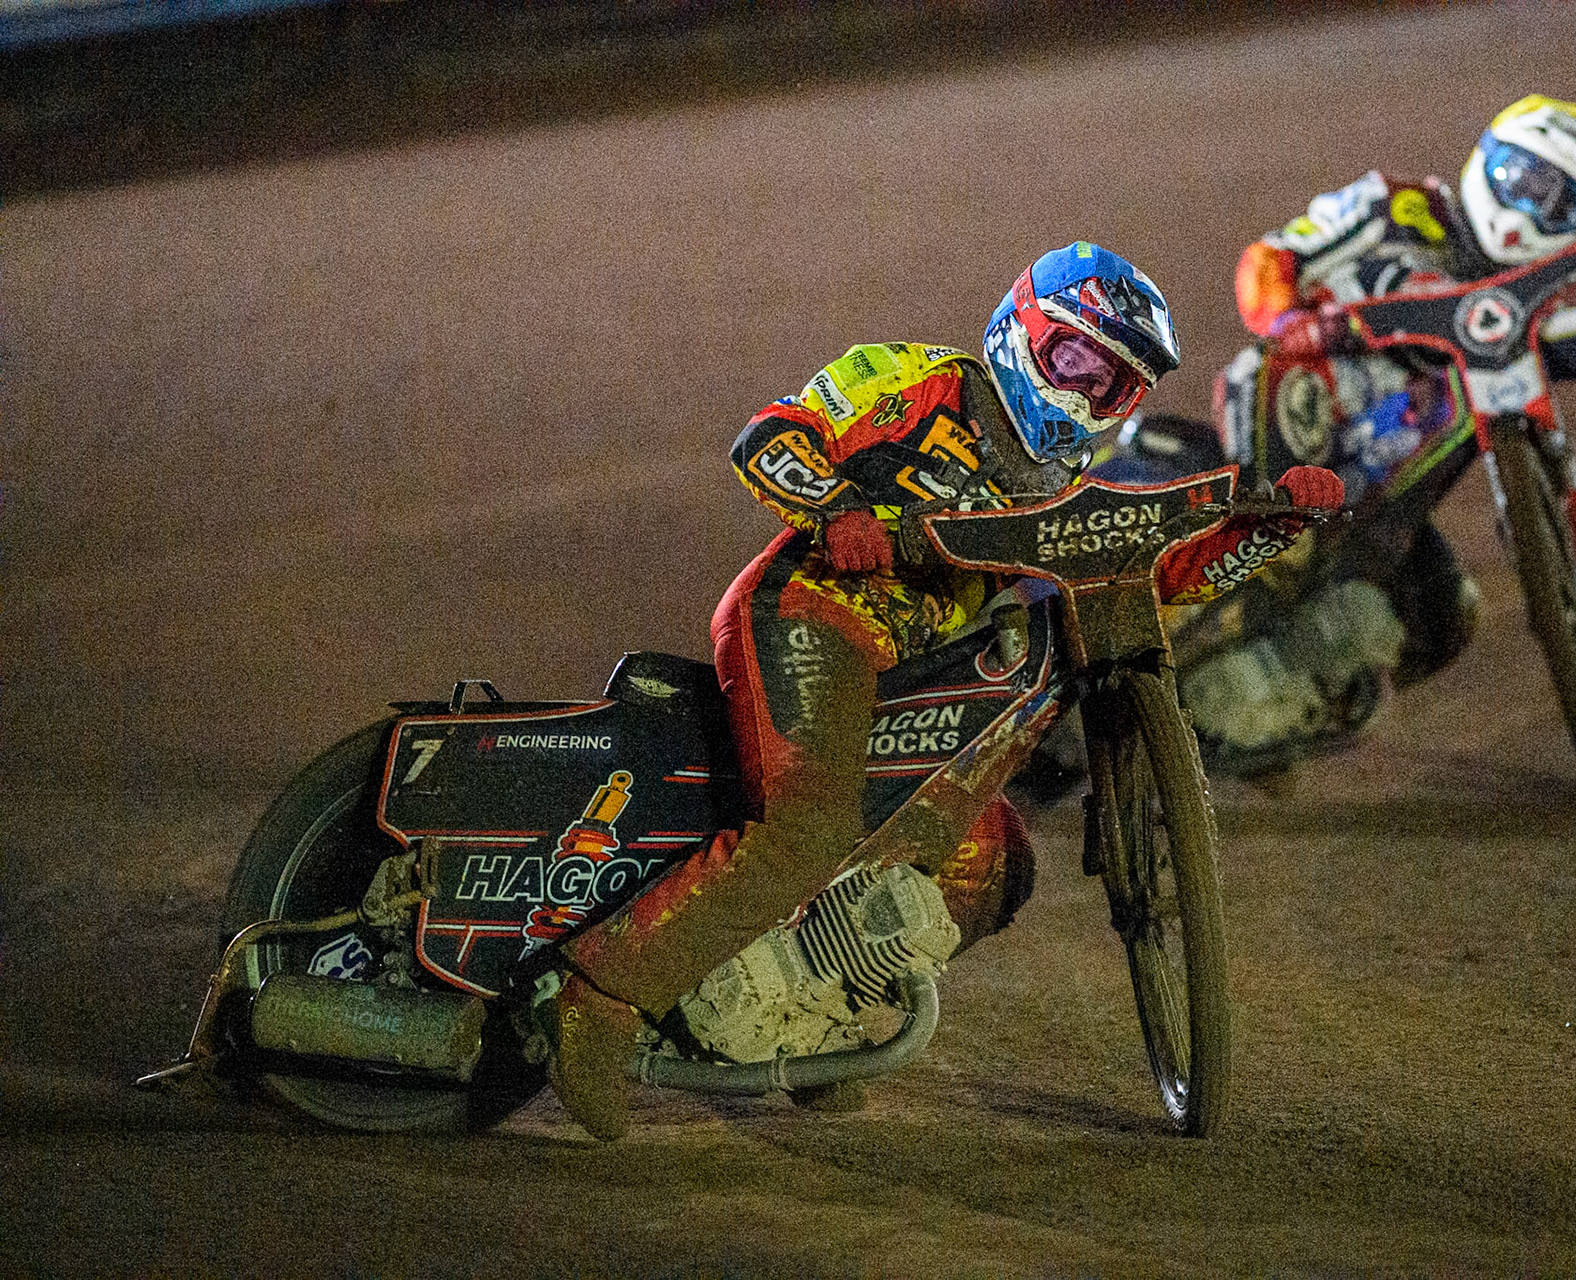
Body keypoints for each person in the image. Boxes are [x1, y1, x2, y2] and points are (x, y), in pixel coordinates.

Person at [544, 242, 1343, 1139]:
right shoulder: (918, 381)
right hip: (809, 612)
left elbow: (1163, 575)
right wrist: (838, 510)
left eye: (1113, 384)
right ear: (1018, 332)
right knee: (804, 830)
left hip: (909, 671)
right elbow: (770, 436)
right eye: (1072, 358)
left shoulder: (1067, 485)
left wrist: (1274, 525)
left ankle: (822, 1020)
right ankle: (599, 998)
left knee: (995, 860)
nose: (1084, 394)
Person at [1163, 94, 1576, 773]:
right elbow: (1271, 256)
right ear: (1487, 162)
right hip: (1306, 390)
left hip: (1382, 485)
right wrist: (1286, 320)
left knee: (1445, 615)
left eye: (1562, 204)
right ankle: (1167, 630)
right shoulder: (1397, 207)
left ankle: (1282, 706)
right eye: (1525, 182)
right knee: (1281, 539)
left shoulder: (1526, 295)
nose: (1532, 212)